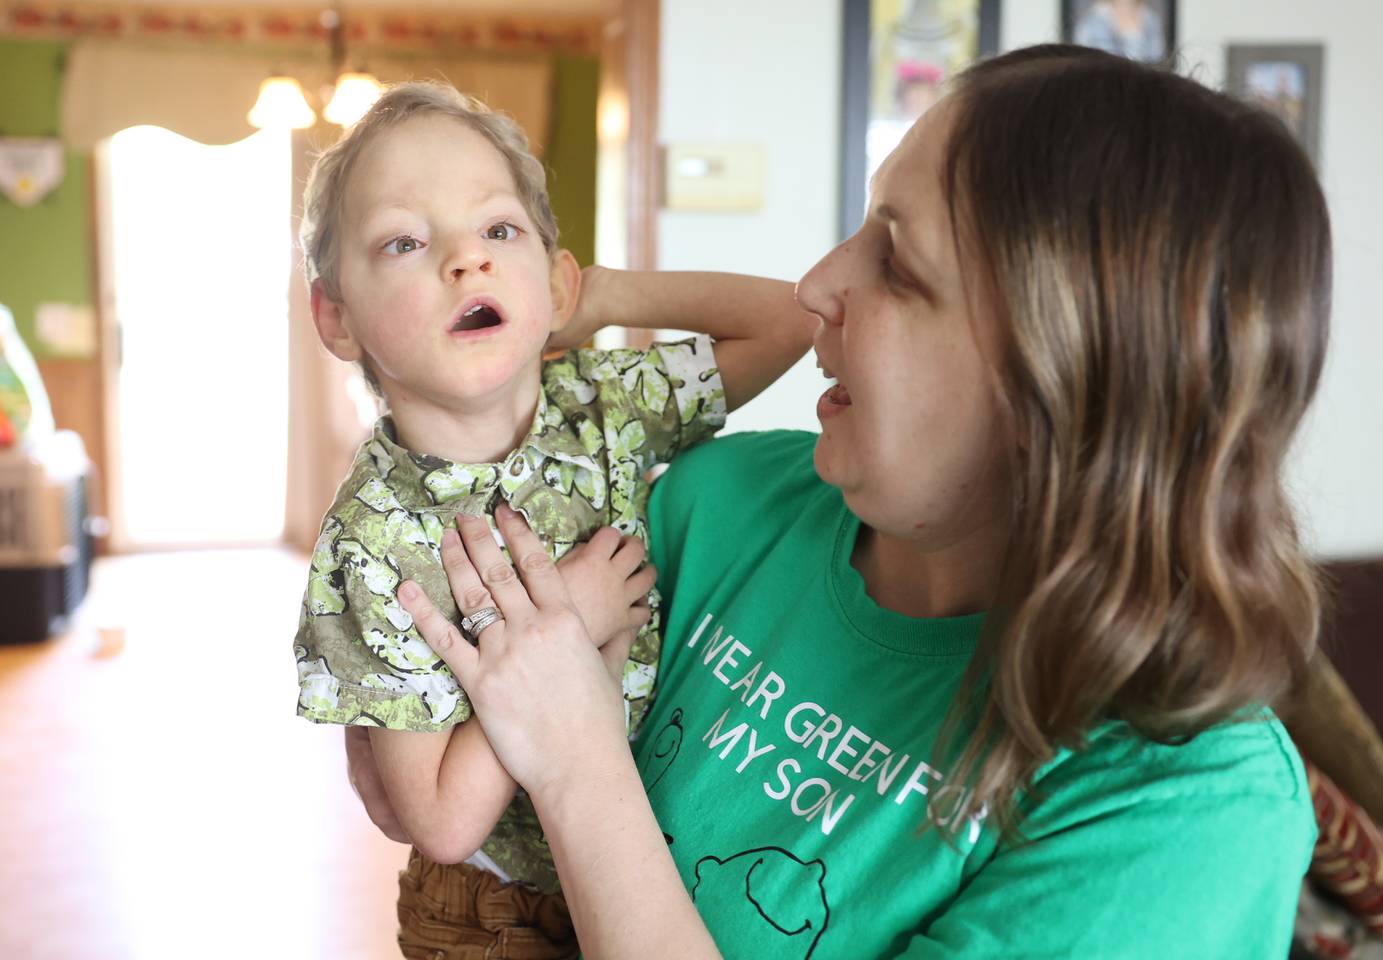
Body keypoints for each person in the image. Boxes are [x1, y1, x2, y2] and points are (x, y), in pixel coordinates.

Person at [359, 45, 1331, 957]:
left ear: (1063, 382)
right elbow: (423, 777)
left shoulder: (1188, 808)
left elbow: (548, 731)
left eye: (898, 266)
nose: (819, 283)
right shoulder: (718, 504)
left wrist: (576, 762)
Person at [291, 81, 813, 958]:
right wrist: (563, 624)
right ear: (336, 318)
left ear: (552, 275)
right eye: (405, 242)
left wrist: (603, 296)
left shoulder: (604, 403)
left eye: (500, 230)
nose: (467, 260)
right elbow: (445, 821)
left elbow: (794, 320)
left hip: (650, 865)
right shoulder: (369, 544)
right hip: (495, 913)